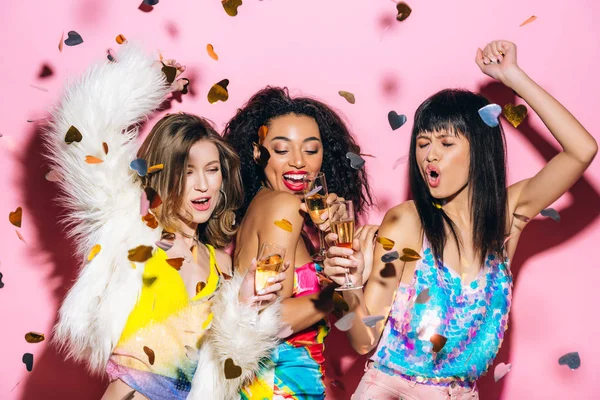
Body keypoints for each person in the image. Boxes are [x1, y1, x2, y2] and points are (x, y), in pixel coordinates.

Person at [324, 40, 597, 399]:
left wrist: (513, 78)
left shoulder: (505, 219)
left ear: (478, 151)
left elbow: (582, 150)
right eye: (422, 143)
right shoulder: (407, 223)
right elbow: (363, 341)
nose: (429, 156)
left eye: (446, 144)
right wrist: (347, 283)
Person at [46, 42, 287, 400]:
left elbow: (225, 369)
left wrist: (246, 304)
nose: (203, 185)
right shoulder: (130, 229)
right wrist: (147, 79)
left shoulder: (220, 264)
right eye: (188, 172)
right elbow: (81, 130)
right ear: (163, 174)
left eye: (212, 170)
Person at [222, 86, 375, 399]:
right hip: (278, 388)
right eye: (281, 150)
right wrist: (334, 289)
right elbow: (265, 319)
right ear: (257, 151)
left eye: (310, 149)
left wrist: (329, 240)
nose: (298, 163)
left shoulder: (268, 205)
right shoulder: (284, 207)